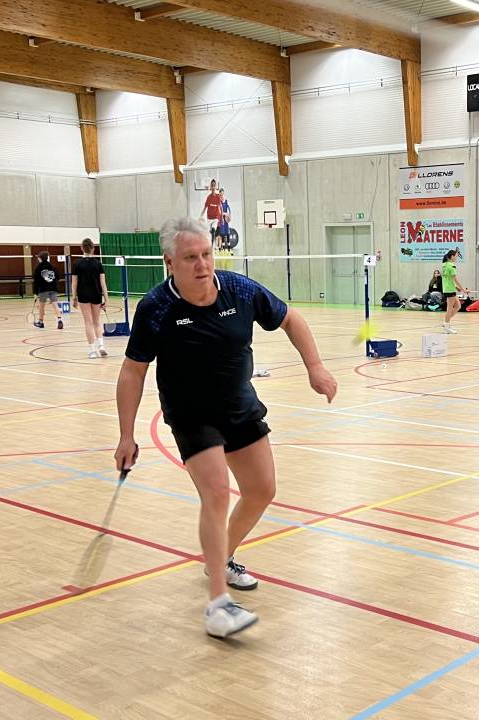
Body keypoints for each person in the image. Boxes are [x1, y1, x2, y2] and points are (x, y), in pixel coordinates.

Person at [114, 216, 337, 638]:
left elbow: (292, 319)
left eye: (206, 255)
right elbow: (132, 372)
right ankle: (218, 604)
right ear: (169, 262)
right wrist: (126, 434)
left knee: (262, 490)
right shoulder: (156, 308)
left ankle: (222, 556)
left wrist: (316, 367)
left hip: (239, 405)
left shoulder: (239, 290)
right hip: (190, 413)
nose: (202, 265)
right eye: (190, 258)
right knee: (216, 493)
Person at [72, 239, 109, 358]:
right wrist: (106, 299)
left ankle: (92, 351)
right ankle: (101, 346)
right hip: (96, 294)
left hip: (83, 295)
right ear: (93, 248)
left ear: (82, 248)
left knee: (88, 323)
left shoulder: (77, 264)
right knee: (97, 322)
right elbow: (103, 283)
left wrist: (74, 297)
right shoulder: (98, 264)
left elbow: (74, 282)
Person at [32, 251, 64, 330]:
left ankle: (41, 322)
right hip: (53, 288)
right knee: (55, 305)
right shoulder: (52, 266)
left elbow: (36, 281)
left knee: (41, 306)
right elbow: (58, 277)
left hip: (43, 289)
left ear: (40, 258)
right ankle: (59, 320)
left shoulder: (38, 268)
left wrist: (35, 292)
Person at [440, 249, 469, 334]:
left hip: (449, 288)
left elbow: (449, 279)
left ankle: (446, 322)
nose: (456, 257)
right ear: (452, 256)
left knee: (458, 306)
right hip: (449, 289)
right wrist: (463, 289)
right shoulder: (451, 266)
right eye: (456, 256)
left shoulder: (444, 265)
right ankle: (447, 326)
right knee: (450, 308)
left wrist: (456, 287)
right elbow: (455, 279)